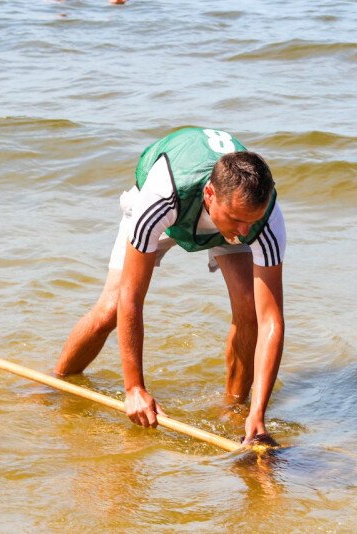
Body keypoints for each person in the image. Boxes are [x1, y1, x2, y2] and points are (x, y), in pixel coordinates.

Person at [54, 127, 286, 445]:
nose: (247, 232)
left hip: (220, 215)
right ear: (210, 195)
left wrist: (258, 414)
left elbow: (271, 319)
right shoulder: (162, 196)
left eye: (253, 221)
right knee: (111, 309)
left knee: (249, 309)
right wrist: (134, 388)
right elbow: (131, 297)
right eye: (238, 220)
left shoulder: (262, 217)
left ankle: (237, 410)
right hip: (174, 208)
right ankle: (57, 383)